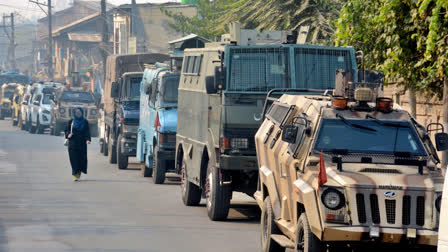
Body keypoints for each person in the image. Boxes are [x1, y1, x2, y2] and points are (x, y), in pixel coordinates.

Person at [65, 107, 91, 181]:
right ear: (74, 113)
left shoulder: (85, 122)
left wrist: (88, 139)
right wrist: (68, 135)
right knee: (74, 159)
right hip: (73, 144)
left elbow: (87, 131)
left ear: (82, 113)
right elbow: (66, 130)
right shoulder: (71, 121)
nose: (78, 113)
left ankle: (79, 172)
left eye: (79, 112)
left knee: (81, 159)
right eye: (76, 112)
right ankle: (75, 173)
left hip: (82, 144)